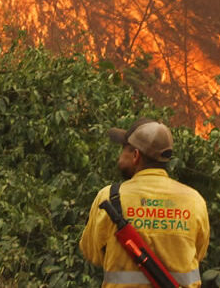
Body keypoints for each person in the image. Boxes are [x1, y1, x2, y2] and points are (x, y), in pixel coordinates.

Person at [80, 118, 210, 287]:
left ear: (135, 155)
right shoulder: (194, 200)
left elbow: (92, 254)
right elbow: (198, 254)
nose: (120, 155)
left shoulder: (109, 197)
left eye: (124, 149)